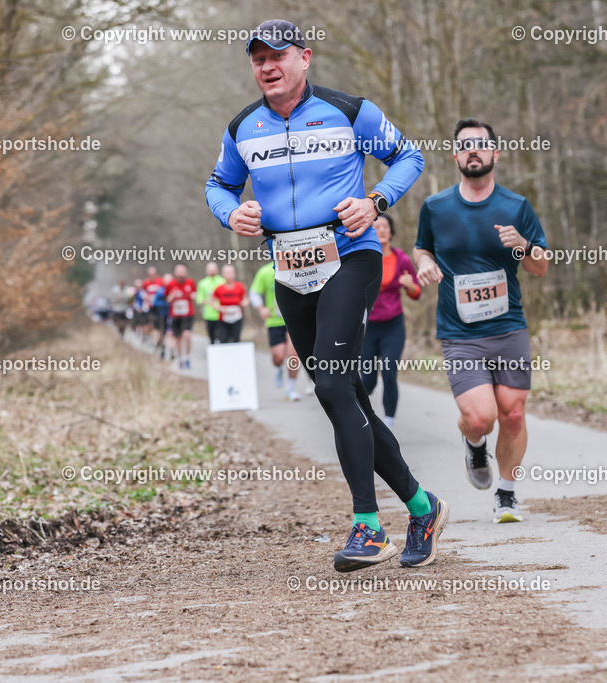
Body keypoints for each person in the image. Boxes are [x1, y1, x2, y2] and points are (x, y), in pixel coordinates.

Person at [205, 19, 447, 572]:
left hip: (351, 255)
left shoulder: (350, 111)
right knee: (344, 397)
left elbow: (409, 156)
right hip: (289, 265)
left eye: (277, 55)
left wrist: (376, 201)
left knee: (336, 383)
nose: (267, 66)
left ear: (304, 57)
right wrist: (230, 212)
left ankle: (368, 526)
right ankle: (421, 505)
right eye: (257, 58)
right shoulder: (242, 126)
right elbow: (218, 184)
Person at [414, 118, 549, 524]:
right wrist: (424, 265)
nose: (473, 150)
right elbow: (422, 249)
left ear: (494, 153)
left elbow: (541, 267)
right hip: (461, 333)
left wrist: (524, 246)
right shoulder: (435, 207)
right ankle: (473, 441)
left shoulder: (516, 207)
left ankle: (506, 494)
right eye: (465, 145)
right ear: (456, 156)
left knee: (513, 413)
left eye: (481, 144)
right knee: (481, 417)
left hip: (508, 327)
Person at [361, 215, 420, 430]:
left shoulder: (402, 259)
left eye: (385, 226)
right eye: (376, 227)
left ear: (391, 231)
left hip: (393, 326)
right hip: (368, 327)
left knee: (388, 372)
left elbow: (416, 292)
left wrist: (411, 286)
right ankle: (362, 419)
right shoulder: (363, 259)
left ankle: (389, 423)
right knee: (367, 379)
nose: (382, 230)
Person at [250, 262, 302, 401]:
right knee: (278, 357)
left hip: (294, 319)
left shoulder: (296, 265)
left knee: (293, 355)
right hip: (274, 321)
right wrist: (261, 308)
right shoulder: (265, 271)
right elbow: (254, 292)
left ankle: (290, 389)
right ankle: (279, 369)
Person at [164, 264, 196, 369]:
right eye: (179, 271)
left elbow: (195, 294)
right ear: (175, 272)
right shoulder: (171, 284)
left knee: (187, 335)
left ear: (186, 272)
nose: (181, 274)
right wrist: (172, 298)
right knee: (178, 338)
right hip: (175, 315)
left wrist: (193, 296)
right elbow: (167, 299)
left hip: (188, 314)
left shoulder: (190, 282)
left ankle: (187, 357)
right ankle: (180, 358)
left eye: (183, 271)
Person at [211, 264, 248, 343]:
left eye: (230, 273)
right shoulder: (219, 288)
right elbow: (212, 302)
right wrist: (220, 308)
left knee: (236, 339)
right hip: (223, 319)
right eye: (226, 273)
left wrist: (244, 303)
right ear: (222, 275)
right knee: (223, 340)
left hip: (237, 317)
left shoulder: (240, 286)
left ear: (234, 274)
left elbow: (246, 299)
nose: (228, 275)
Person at [196, 262, 225, 344]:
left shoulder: (222, 281)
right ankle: (213, 353)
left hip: (221, 314)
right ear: (206, 271)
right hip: (208, 314)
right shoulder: (202, 283)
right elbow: (199, 299)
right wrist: (208, 301)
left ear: (217, 270)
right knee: (211, 336)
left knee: (222, 336)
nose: (212, 272)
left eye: (214, 269)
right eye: (210, 270)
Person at [152, 273, 174, 359]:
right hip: (161, 315)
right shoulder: (160, 290)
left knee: (171, 333)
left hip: (173, 315)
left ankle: (172, 351)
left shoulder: (174, 289)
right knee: (162, 333)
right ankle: (162, 348)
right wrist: (165, 303)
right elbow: (155, 303)